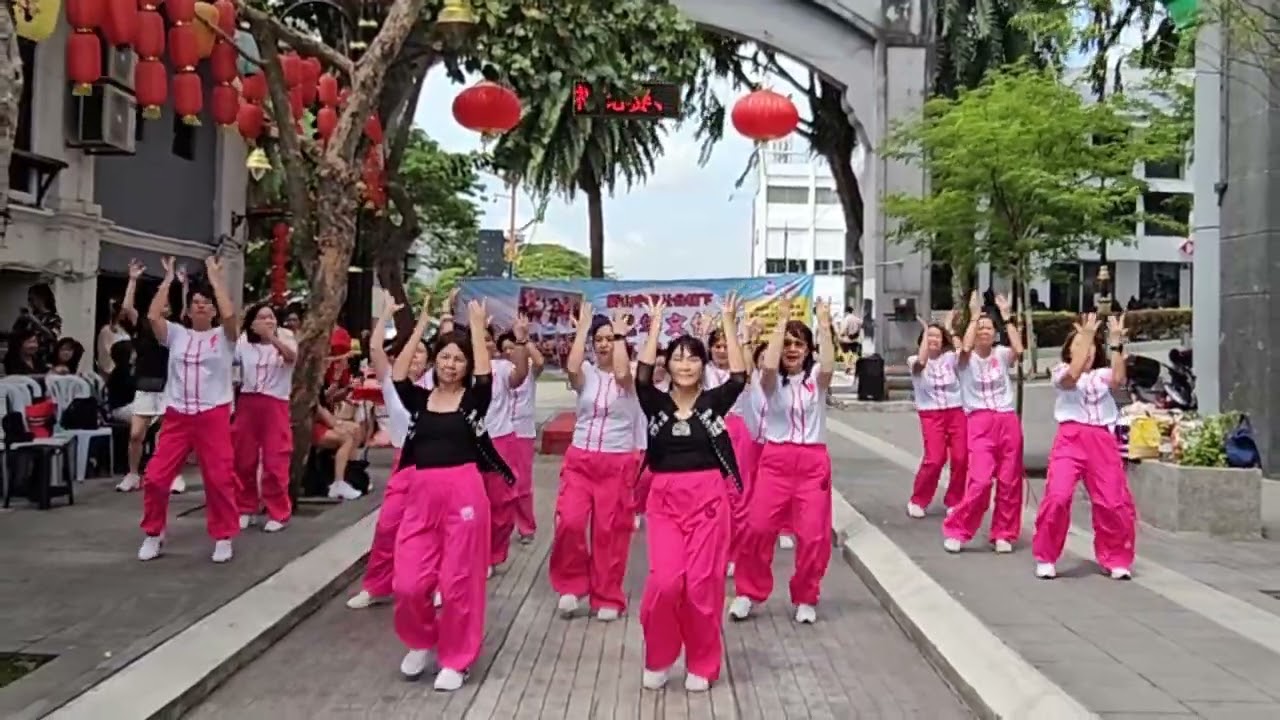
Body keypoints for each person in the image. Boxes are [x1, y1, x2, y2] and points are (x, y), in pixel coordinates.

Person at [389, 296, 514, 691]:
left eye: (458, 359)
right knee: (408, 583)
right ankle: (422, 640)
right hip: (422, 495)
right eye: (444, 357)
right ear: (434, 361)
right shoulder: (419, 398)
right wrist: (421, 327)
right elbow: (396, 375)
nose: (450, 364)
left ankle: (456, 659)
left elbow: (484, 374)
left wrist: (476, 328)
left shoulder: (474, 400)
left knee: (458, 580)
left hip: (464, 492)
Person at [634, 294, 746, 692]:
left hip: (708, 502)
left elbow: (738, 377)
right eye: (677, 357)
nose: (684, 364)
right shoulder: (656, 403)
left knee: (701, 585)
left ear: (702, 366)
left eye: (692, 358)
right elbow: (642, 376)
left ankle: (702, 662)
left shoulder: (714, 403)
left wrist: (729, 324)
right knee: (666, 583)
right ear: (669, 363)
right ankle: (659, 656)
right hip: (664, 501)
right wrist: (655, 325)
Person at [729, 298, 836, 625]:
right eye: (787, 343)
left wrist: (824, 323)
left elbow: (829, 365)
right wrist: (783, 321)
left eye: (798, 343)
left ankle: (806, 595)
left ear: (808, 349)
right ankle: (748, 592)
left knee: (813, 535)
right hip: (776, 461)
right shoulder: (770, 381)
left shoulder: (816, 378)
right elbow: (771, 364)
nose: (791, 349)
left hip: (812, 463)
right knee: (758, 527)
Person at [136, 255, 240, 563]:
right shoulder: (177, 335)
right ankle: (154, 533)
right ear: (188, 307)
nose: (201, 306)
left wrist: (215, 278)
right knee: (155, 477)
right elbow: (153, 316)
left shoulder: (224, 337)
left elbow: (231, 315)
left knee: (219, 478)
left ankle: (223, 536)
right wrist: (167, 279)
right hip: (178, 415)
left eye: (207, 303)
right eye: (196, 302)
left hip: (213, 415)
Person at [549, 304, 639, 621]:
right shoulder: (586, 372)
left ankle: (607, 595)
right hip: (580, 459)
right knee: (570, 522)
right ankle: (572, 585)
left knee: (609, 532)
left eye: (609, 339)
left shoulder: (631, 372)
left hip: (616, 461)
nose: (603, 344)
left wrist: (618, 337)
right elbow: (571, 370)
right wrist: (582, 328)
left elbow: (623, 375)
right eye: (598, 339)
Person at [1032, 313, 1136, 580]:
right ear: (1069, 350)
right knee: (1058, 496)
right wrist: (1086, 336)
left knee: (1113, 502)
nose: (1085, 351)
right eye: (1078, 345)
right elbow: (1072, 376)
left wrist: (1115, 342)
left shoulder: (1101, 375)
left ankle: (1115, 557)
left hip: (1102, 440)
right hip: (1071, 438)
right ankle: (1046, 555)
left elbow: (1118, 378)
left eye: (1089, 346)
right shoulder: (1059, 372)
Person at [347, 295, 432, 610]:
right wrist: (384, 316)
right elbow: (375, 351)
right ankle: (377, 585)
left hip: (434, 467)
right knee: (387, 527)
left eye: (421, 352)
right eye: (410, 353)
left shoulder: (438, 386)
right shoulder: (391, 386)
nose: (415, 358)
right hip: (403, 464)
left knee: (431, 530)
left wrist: (431, 322)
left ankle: (433, 584)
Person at [941, 291, 1025, 554]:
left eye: (989, 328)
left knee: (1010, 480)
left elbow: (1020, 350)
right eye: (980, 328)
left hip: (1007, 419)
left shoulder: (1001, 355)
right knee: (980, 480)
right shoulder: (963, 360)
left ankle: (1004, 532)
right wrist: (974, 315)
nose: (985, 332)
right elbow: (964, 348)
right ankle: (958, 529)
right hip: (979, 421)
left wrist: (1007, 317)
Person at [115, 260, 186, 495]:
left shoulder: (176, 329)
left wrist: (178, 284)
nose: (162, 306)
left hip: (170, 386)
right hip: (146, 385)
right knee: (136, 435)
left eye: (166, 303)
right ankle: (133, 474)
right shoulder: (142, 325)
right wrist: (133, 280)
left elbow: (185, 309)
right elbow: (127, 308)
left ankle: (173, 475)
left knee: (167, 437)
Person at [702, 314, 761, 573]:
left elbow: (745, 371)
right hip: (708, 432)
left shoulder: (738, 373)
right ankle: (713, 552)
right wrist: (703, 331)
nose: (722, 351)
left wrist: (746, 338)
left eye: (727, 346)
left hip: (737, 432)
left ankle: (736, 555)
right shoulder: (703, 371)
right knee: (712, 497)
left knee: (739, 496)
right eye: (717, 346)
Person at [233, 302, 298, 533]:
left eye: (271, 317)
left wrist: (272, 338)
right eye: (261, 318)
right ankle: (246, 507)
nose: (268, 321)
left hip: (275, 403)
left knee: (275, 460)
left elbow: (291, 358)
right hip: (248, 402)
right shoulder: (243, 341)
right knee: (243, 458)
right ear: (252, 322)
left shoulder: (286, 336)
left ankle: (278, 512)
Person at [478, 318, 531, 574]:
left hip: (501, 442)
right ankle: (473, 553)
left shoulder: (500, 369)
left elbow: (520, 373)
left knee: (501, 504)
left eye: (487, 339)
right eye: (478, 338)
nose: (483, 343)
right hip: (470, 446)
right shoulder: (461, 371)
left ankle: (491, 554)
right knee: (473, 505)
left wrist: (521, 339)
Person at [905, 311, 968, 519]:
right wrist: (926, 333)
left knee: (960, 458)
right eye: (929, 337)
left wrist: (949, 326)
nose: (933, 340)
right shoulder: (914, 360)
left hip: (956, 411)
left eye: (937, 337)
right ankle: (918, 499)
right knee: (935, 458)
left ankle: (955, 499)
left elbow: (963, 350)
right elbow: (920, 364)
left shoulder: (950, 358)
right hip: (931, 414)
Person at [499, 329, 545, 544]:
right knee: (503, 483)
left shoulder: (528, 372)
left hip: (523, 432)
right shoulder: (499, 371)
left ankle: (527, 527)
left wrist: (524, 339)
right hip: (500, 432)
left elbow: (539, 361)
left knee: (523, 483)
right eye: (505, 349)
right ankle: (503, 527)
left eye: (512, 347)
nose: (509, 352)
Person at [12, 282, 61, 365]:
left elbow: (52, 335)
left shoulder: (53, 318)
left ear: (41, 298)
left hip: (45, 359)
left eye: (32, 299)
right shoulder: (31, 317)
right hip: (28, 360)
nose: (30, 303)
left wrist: (33, 320)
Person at [97, 299, 133, 376]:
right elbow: (106, 350)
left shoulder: (123, 329)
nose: (125, 313)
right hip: (111, 370)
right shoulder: (106, 330)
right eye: (123, 310)